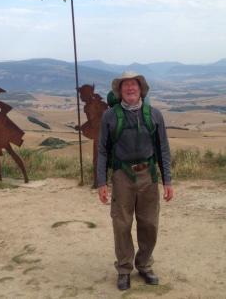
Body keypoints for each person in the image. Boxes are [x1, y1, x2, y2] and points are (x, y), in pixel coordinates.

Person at [96, 72, 173, 291]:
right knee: (121, 224)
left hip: (148, 175)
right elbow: (102, 150)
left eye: (134, 85)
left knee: (149, 223)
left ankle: (145, 265)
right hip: (122, 176)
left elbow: (163, 149)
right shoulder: (109, 116)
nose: (130, 88)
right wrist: (102, 182)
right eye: (125, 85)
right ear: (119, 91)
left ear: (141, 89)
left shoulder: (155, 115)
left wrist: (168, 180)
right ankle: (123, 269)